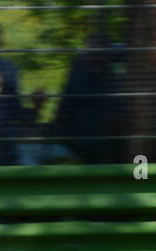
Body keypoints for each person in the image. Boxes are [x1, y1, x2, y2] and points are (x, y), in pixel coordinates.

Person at [52, 34, 125, 164]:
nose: (93, 57)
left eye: (98, 53)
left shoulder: (110, 75)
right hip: (83, 138)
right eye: (91, 52)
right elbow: (67, 105)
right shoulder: (80, 70)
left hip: (107, 139)